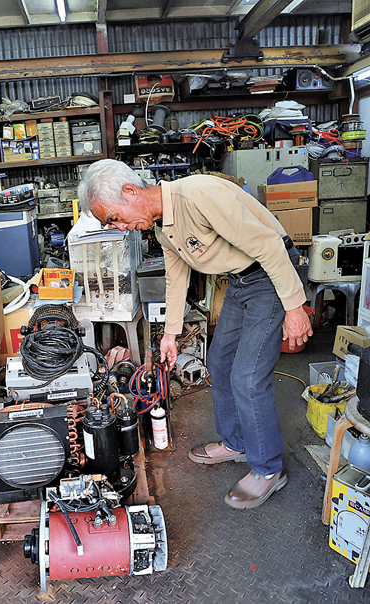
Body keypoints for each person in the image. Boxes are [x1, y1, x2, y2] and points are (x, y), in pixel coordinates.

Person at [78, 159, 312, 509]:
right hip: (240, 280)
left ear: (130, 192)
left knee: (247, 377)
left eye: (113, 217)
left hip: (269, 274)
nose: (119, 227)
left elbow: (268, 245)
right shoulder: (161, 228)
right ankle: (236, 443)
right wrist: (171, 333)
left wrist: (295, 309)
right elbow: (176, 278)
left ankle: (268, 469)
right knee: (218, 361)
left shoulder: (199, 195)